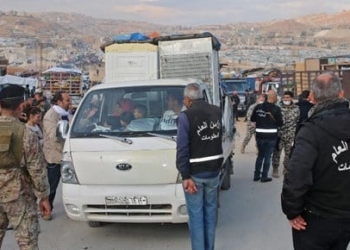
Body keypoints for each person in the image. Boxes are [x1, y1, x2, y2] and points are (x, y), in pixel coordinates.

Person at [281, 73, 350, 250]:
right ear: (341, 94)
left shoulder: (310, 131)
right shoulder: (310, 129)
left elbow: (297, 176)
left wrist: (292, 211)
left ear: (312, 96)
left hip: (316, 219)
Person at [0, 84, 50, 249]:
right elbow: (37, 170)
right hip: (19, 196)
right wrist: (43, 197)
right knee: (27, 244)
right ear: (21, 106)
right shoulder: (27, 133)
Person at [176, 83, 223, 250]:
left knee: (196, 218)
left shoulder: (185, 117)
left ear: (188, 100)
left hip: (195, 175)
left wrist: (185, 176)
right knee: (210, 216)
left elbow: (182, 148)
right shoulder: (217, 111)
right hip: (214, 173)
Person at [42, 91, 71, 220]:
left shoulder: (66, 114)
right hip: (55, 155)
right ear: (59, 102)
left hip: (66, 154)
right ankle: (46, 210)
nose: (70, 103)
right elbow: (54, 137)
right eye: (67, 100)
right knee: (52, 186)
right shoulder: (51, 116)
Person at [251, 90, 283, 182]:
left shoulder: (258, 107)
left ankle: (256, 175)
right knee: (268, 156)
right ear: (275, 98)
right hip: (271, 137)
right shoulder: (276, 109)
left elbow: (252, 118)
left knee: (260, 155)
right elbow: (280, 123)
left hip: (259, 136)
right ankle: (264, 176)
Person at [271, 91, 300, 178]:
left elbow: (297, 120)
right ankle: (275, 169)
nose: (286, 99)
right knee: (277, 153)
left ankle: (286, 168)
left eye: (287, 97)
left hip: (291, 134)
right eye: (284, 98)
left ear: (291, 98)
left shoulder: (296, 108)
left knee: (289, 153)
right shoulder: (277, 107)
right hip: (279, 134)